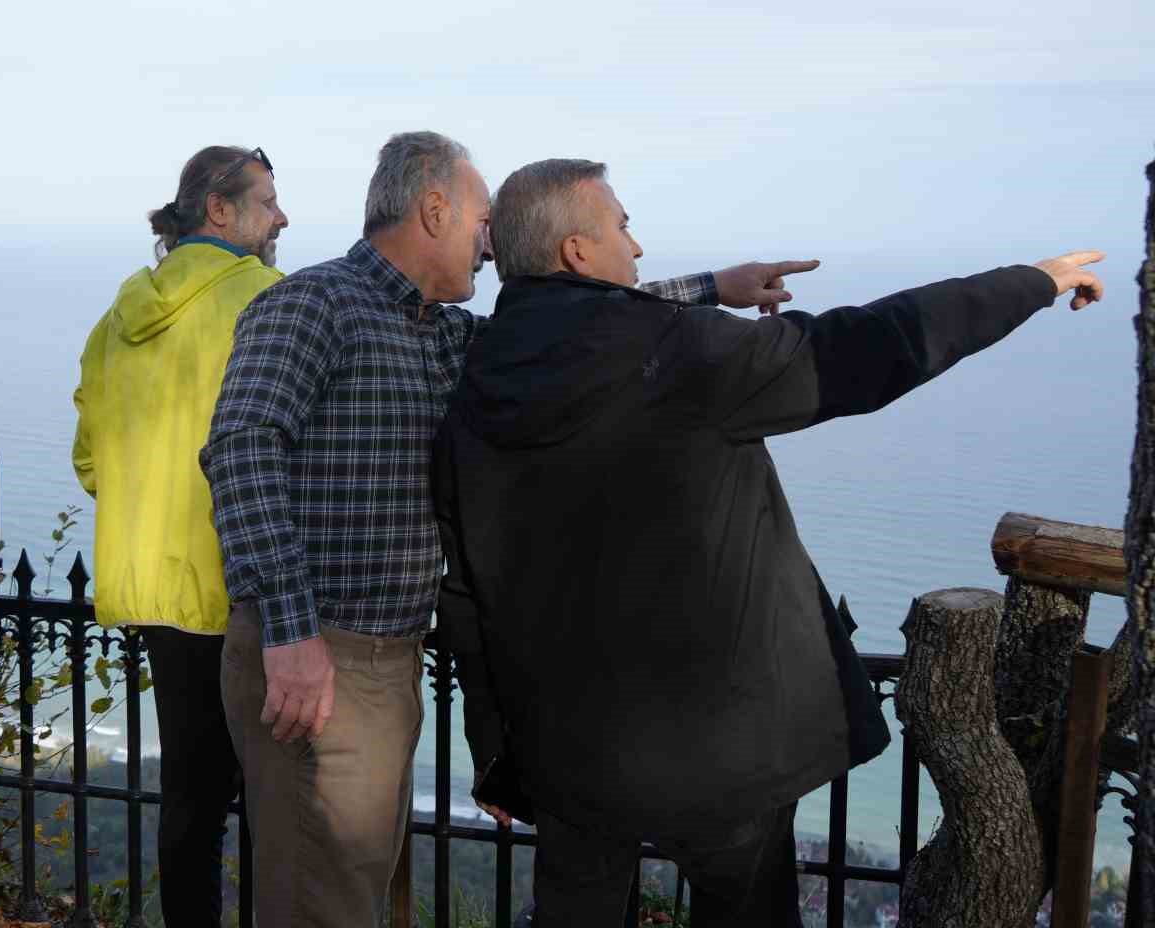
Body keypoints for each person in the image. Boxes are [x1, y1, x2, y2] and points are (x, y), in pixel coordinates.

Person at [431, 158, 1105, 927]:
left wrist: (494, 752)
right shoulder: (678, 352)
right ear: (579, 252)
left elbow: (467, 596)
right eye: (622, 225)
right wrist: (1033, 281)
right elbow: (867, 347)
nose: (639, 246)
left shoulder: (471, 387)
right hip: (718, 752)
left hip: (567, 756)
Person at [200, 132, 819, 928]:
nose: (491, 245)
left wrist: (712, 288)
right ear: (433, 210)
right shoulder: (311, 305)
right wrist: (289, 635)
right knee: (318, 904)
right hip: (316, 658)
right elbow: (242, 448)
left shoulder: (445, 335)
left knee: (356, 893)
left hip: (385, 662)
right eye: (482, 220)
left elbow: (575, 329)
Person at [71, 145, 288, 927]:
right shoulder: (270, 301)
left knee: (189, 798)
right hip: (239, 586)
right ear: (220, 212)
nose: (282, 218)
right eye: (268, 202)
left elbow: (90, 458)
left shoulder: (117, 318)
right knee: (274, 799)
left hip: (151, 590)